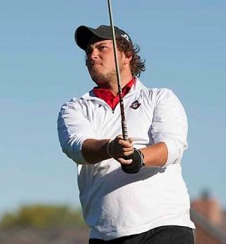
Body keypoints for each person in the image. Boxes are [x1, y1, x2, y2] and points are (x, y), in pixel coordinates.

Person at [57, 25, 195, 243]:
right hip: (106, 234)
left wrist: (139, 158)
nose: (92, 55)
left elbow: (173, 147)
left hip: (164, 227)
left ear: (127, 55)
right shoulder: (75, 107)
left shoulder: (160, 97)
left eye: (102, 47)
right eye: (88, 51)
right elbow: (77, 147)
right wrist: (111, 148)